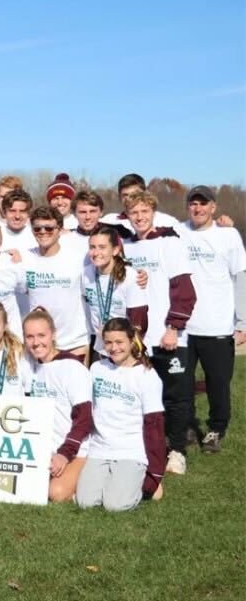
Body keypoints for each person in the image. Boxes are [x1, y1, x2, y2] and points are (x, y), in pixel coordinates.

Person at [122, 191, 196, 476]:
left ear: (153, 212)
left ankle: (177, 450)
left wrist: (173, 328)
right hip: (140, 339)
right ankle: (148, 446)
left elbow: (184, 291)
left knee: (175, 397)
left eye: (144, 212)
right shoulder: (126, 246)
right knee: (143, 396)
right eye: (133, 213)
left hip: (168, 337)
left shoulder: (169, 242)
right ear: (127, 216)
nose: (139, 217)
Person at [178, 185, 246, 454]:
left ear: (213, 207)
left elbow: (241, 278)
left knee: (218, 384)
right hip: (183, 327)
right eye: (193, 203)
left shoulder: (228, 235)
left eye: (203, 204)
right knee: (181, 383)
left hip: (217, 325)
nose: (198, 208)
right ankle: (189, 427)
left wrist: (242, 321)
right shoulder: (177, 232)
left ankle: (216, 429)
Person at [76, 318, 166, 511]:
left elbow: (154, 426)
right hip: (100, 449)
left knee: (114, 506)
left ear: (132, 340)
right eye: (108, 342)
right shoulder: (97, 369)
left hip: (130, 451)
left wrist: (156, 473)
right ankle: (118, 481)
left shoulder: (147, 376)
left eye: (119, 342)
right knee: (85, 502)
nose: (113, 348)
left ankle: (144, 484)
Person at [23, 308, 94, 503]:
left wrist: (64, 454)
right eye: (30, 337)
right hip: (43, 447)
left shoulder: (72, 368)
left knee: (56, 493)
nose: (36, 342)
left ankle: (92, 478)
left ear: (53, 334)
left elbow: (85, 418)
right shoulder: (30, 366)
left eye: (41, 335)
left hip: (74, 450)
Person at [20, 206, 89, 356]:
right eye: (37, 229)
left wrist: (135, 273)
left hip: (74, 343)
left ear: (60, 229)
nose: (43, 232)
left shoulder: (79, 259)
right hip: (39, 345)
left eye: (49, 228)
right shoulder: (24, 259)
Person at [83, 225, 148, 360]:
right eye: (92, 247)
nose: (96, 253)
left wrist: (130, 348)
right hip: (100, 348)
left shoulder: (130, 276)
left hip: (125, 349)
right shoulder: (85, 273)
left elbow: (139, 319)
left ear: (115, 250)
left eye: (102, 247)